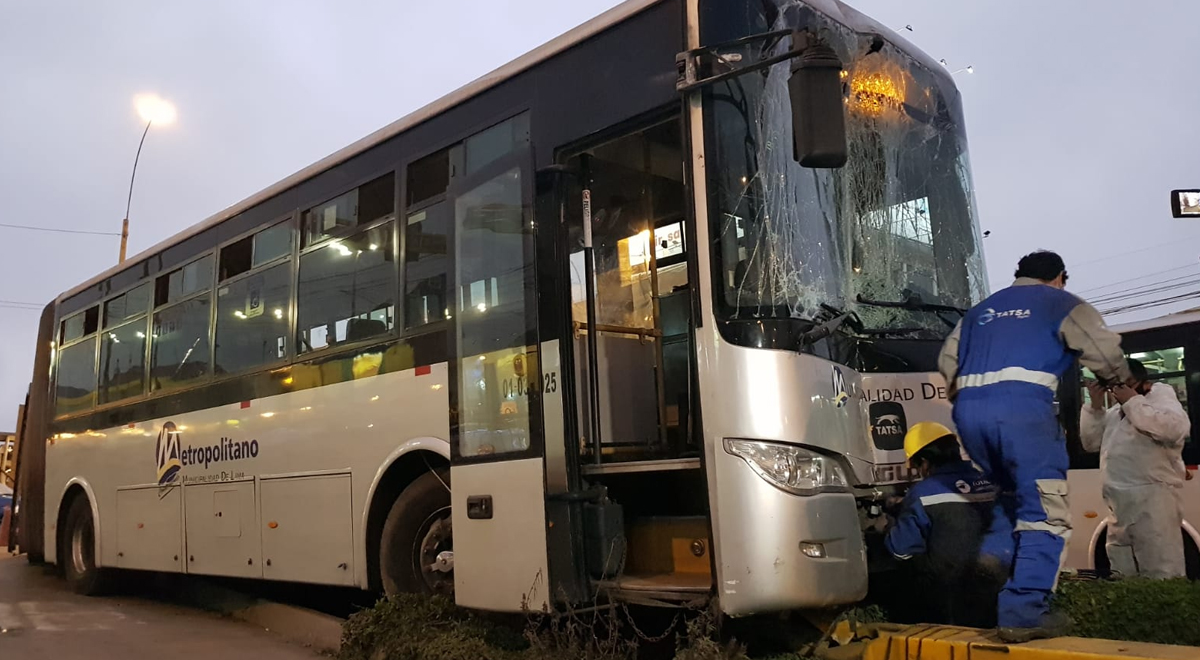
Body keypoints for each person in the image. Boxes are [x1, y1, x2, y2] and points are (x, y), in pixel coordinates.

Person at [939, 250, 1133, 642]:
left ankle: (994, 554)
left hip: (969, 415)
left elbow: (947, 360)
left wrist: (972, 397)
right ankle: (1024, 613)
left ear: (1018, 275)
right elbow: (1104, 349)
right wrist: (1120, 380)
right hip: (1023, 412)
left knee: (1011, 496)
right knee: (1046, 511)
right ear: (1060, 277)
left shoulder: (980, 311)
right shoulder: (1060, 302)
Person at [880, 421, 1013, 628]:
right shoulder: (989, 482)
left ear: (924, 462)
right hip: (1003, 580)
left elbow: (901, 551)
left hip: (953, 590)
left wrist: (890, 526)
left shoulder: (922, 493)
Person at [1081, 358, 1190, 578]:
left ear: (1136, 381)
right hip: (1118, 504)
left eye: (1120, 383)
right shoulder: (1115, 413)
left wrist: (1132, 401)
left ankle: (1164, 612)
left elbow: (1174, 429)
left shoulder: (1160, 398)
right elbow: (1091, 443)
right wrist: (1095, 407)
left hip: (1153, 499)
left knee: (1161, 569)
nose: (1115, 391)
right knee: (1123, 571)